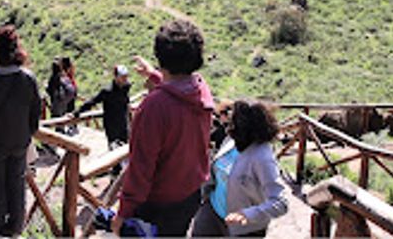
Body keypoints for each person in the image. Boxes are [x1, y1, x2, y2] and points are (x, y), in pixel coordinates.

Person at [112, 19, 215, 237]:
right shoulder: (200, 88)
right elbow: (177, 90)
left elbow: (141, 166)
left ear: (161, 58)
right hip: (190, 194)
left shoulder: (154, 107)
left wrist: (123, 212)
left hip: (158, 203)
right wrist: (155, 75)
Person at [0, 25, 42, 237]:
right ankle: (15, 227)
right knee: (16, 185)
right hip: (19, 141)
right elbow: (35, 114)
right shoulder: (28, 79)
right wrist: (26, 134)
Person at [191, 100, 288, 237]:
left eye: (234, 121)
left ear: (247, 126)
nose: (229, 126)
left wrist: (247, 214)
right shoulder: (231, 141)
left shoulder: (263, 157)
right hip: (212, 213)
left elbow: (280, 203)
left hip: (244, 228)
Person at [75, 64, 131, 149]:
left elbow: (126, 102)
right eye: (122, 77)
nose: (125, 79)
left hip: (123, 122)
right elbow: (93, 101)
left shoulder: (126, 87)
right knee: (114, 149)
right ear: (116, 77)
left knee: (125, 148)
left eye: (126, 76)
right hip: (111, 125)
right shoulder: (107, 91)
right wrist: (77, 112)